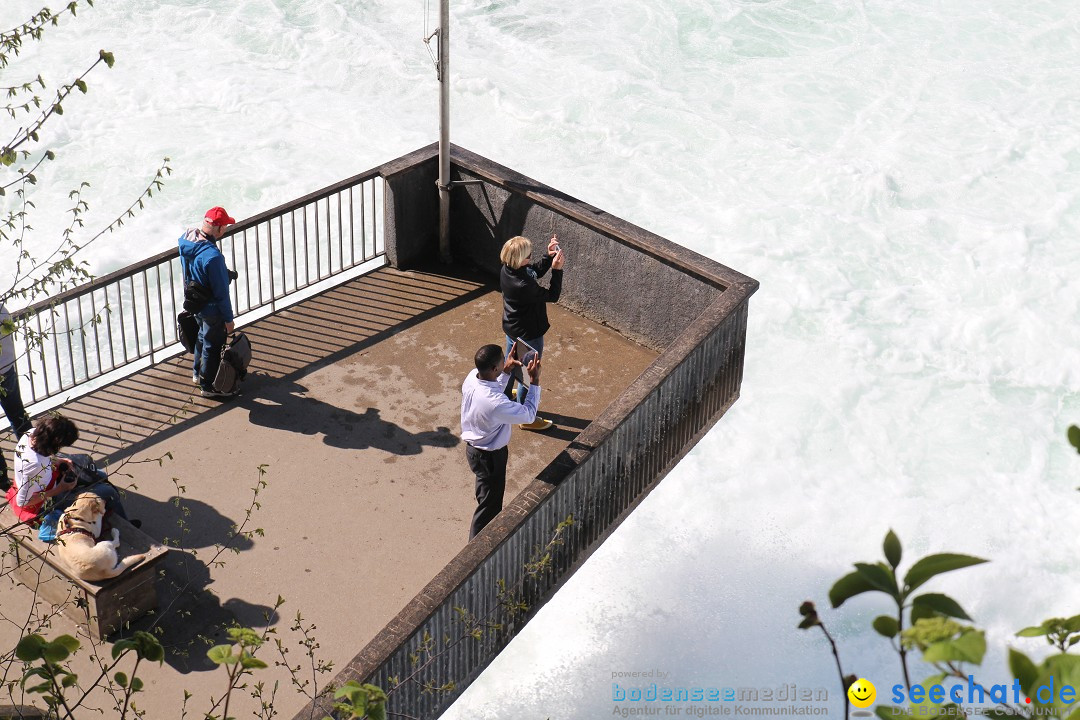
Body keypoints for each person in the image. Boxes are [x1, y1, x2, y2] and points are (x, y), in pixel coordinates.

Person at [461, 342, 543, 539]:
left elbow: (492, 388)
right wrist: (534, 381)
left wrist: (505, 372)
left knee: (485, 494)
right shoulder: (497, 404)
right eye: (501, 362)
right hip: (490, 457)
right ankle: (477, 548)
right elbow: (529, 415)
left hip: (475, 451)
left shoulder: (472, 377)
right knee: (490, 507)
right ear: (493, 368)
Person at [5, 415, 129, 525]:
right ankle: (126, 526)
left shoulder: (31, 434)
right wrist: (60, 489)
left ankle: (114, 518)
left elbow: (39, 460)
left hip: (47, 482)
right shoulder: (33, 465)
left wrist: (56, 461)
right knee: (108, 491)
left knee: (99, 474)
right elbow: (22, 502)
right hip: (42, 505)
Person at [499, 233, 565, 431]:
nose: (531, 258)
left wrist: (548, 257)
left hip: (513, 328)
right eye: (528, 255)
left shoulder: (509, 269)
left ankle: (503, 396)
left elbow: (533, 271)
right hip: (529, 334)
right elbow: (552, 295)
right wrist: (557, 270)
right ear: (520, 260)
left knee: (511, 364)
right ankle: (525, 417)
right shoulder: (522, 285)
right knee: (528, 377)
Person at [179, 206, 238, 399]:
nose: (226, 229)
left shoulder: (188, 240)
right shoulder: (213, 257)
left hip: (194, 301)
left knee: (202, 338)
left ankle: (197, 373)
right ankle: (208, 385)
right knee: (212, 346)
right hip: (211, 308)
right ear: (219, 229)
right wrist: (229, 320)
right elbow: (221, 293)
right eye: (225, 226)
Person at [0, 303, 32, 491]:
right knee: (18, 416)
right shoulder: (3, 309)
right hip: (7, 370)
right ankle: (35, 460)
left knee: (18, 416)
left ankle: (3, 479)